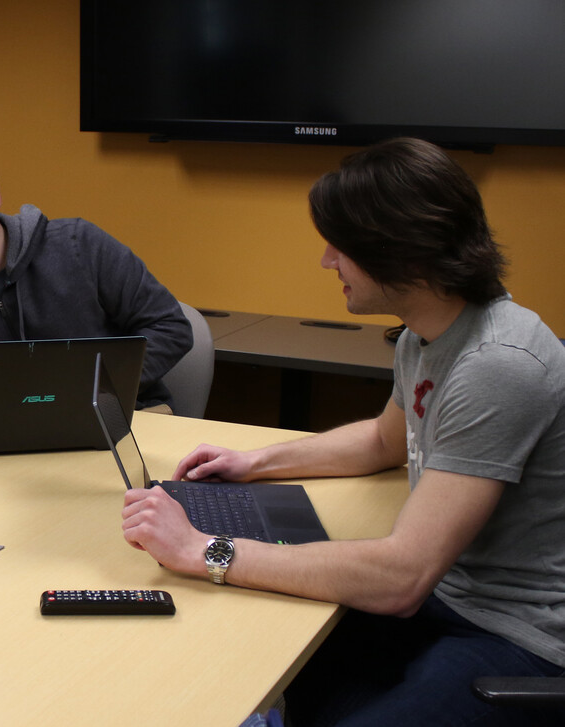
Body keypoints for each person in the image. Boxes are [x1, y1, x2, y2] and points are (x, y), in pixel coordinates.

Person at [121, 138, 565, 726]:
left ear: (400, 252)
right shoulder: (426, 335)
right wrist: (254, 463)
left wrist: (204, 550)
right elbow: (383, 441)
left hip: (518, 636)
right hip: (451, 599)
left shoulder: (499, 363)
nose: (327, 261)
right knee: (250, 658)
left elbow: (402, 577)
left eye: (341, 246)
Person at [0, 125, 191, 411]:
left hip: (121, 420)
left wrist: (84, 390)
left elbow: (170, 328)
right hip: (12, 440)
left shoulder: (81, 246)